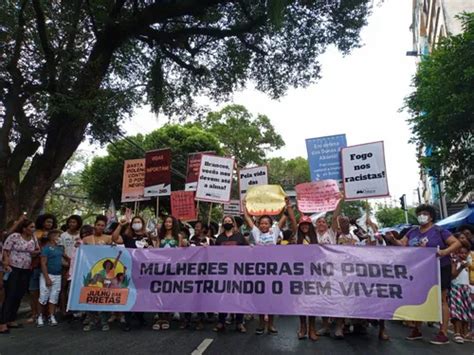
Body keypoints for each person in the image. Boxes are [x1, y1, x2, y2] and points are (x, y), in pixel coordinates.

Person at [386, 204, 461, 345]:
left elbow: (456, 243)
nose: (422, 216)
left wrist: (444, 252)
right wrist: (392, 240)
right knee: (419, 298)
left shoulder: (439, 231)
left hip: (439, 268)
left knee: (442, 298)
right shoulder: (412, 232)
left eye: (425, 213)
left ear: (431, 216)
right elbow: (402, 244)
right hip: (420, 270)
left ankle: (443, 332)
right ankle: (417, 329)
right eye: (419, 213)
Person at [244, 197, 295, 336]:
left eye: (266, 223)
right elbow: (247, 217)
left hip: (272, 272)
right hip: (258, 272)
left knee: (271, 298)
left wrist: (287, 205)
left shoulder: (275, 232)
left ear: (270, 225)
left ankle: (271, 324)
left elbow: (285, 217)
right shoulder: (256, 233)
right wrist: (244, 204)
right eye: (261, 223)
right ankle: (261, 323)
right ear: (259, 225)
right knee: (260, 297)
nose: (263, 225)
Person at [0, 219, 39, 334]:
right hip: (13, 267)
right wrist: (6, 263)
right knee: (10, 294)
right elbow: (6, 250)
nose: (33, 229)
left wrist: (34, 253)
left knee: (19, 294)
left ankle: (11, 319)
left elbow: (37, 250)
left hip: (26, 268)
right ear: (24, 228)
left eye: (34, 227)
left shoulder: (34, 238)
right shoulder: (14, 236)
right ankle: (2, 323)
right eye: (31, 227)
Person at [112, 216, 149, 331]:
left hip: (143, 270)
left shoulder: (147, 237)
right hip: (129, 269)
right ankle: (128, 321)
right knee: (128, 294)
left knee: (141, 294)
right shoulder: (127, 237)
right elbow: (114, 238)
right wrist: (120, 225)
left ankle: (140, 317)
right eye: (135, 222)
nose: (137, 224)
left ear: (142, 224)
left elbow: (155, 250)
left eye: (139, 222)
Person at [213, 215, 248, 334]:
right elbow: (215, 254)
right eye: (225, 221)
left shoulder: (239, 237)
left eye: (229, 221)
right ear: (223, 224)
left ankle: (239, 322)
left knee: (238, 297)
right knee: (223, 296)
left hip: (237, 271)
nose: (227, 223)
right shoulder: (219, 238)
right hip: (223, 272)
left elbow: (247, 251)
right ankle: (221, 321)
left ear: (233, 223)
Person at [82, 215, 117, 332]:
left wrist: (112, 247)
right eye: (98, 225)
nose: (100, 227)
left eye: (103, 225)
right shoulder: (86, 239)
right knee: (90, 295)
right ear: (94, 225)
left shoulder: (108, 238)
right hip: (91, 270)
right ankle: (91, 321)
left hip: (104, 272)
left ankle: (104, 321)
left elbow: (112, 254)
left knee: (103, 296)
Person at [152, 215, 184, 331]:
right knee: (160, 292)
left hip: (173, 269)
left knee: (170, 291)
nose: (168, 224)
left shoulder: (178, 237)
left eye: (170, 222)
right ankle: (159, 317)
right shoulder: (160, 237)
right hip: (161, 268)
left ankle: (167, 318)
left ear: (173, 224)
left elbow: (180, 253)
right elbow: (155, 251)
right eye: (166, 222)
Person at [28, 213, 57, 324]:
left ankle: (46, 314)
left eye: (51, 222)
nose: (49, 224)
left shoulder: (56, 234)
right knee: (34, 290)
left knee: (48, 292)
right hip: (36, 265)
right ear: (42, 222)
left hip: (51, 266)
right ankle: (34, 313)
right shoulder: (35, 233)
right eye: (47, 221)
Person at [38, 230, 70, 327]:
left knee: (54, 296)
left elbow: (66, 260)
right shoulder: (46, 249)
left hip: (58, 275)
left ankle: (51, 316)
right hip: (47, 275)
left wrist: (70, 264)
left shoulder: (59, 249)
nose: (59, 238)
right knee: (43, 296)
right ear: (52, 237)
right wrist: (47, 278)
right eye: (58, 236)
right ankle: (40, 316)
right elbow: (43, 263)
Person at [295, 215, 319, 341]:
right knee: (301, 302)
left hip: (314, 274)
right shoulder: (296, 239)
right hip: (299, 274)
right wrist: (288, 207)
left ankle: (312, 329)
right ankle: (303, 327)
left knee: (312, 301)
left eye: (307, 224)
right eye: (302, 224)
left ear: (310, 226)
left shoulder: (316, 238)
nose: (305, 226)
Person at [58, 215, 82, 316]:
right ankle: (63, 310)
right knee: (64, 287)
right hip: (66, 264)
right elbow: (61, 249)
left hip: (78, 265)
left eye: (74, 222)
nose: (72, 224)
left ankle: (75, 309)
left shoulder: (81, 235)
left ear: (78, 224)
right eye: (70, 222)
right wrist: (69, 260)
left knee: (77, 288)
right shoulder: (63, 235)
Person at [450, 244, 473, 344]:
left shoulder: (468, 264)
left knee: (466, 311)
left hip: (465, 288)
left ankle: (464, 333)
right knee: (457, 312)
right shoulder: (455, 262)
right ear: (456, 253)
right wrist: (460, 267)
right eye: (460, 252)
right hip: (456, 288)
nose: (462, 255)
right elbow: (453, 275)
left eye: (465, 253)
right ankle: (457, 333)